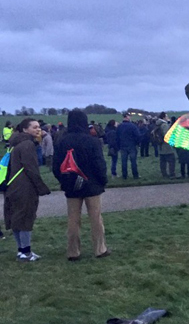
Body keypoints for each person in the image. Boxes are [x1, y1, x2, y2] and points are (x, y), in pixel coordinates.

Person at [53, 110, 110, 260]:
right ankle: (100, 249)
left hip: (71, 184)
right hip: (92, 184)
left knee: (73, 219)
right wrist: (102, 180)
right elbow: (99, 164)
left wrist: (63, 181)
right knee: (96, 218)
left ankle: (73, 251)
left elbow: (56, 166)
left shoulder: (62, 142)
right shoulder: (92, 141)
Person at [3, 118, 51, 261]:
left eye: (39, 127)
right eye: (34, 127)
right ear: (25, 129)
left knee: (16, 218)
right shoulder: (27, 144)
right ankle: (26, 252)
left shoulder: (15, 143)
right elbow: (31, 168)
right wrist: (41, 187)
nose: (38, 129)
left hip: (12, 185)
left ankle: (21, 250)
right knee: (25, 218)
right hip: (24, 186)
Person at [116, 115, 141, 179]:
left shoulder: (119, 126)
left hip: (122, 146)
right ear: (128, 117)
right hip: (132, 145)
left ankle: (124, 175)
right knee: (133, 161)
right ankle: (135, 175)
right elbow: (138, 135)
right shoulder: (133, 126)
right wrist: (137, 143)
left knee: (124, 161)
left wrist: (118, 145)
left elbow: (117, 137)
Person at [156, 112, 176, 178]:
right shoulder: (164, 125)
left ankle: (164, 174)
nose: (167, 117)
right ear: (164, 117)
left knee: (162, 161)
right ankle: (172, 174)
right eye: (166, 116)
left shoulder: (157, 124)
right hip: (166, 146)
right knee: (172, 160)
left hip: (160, 145)